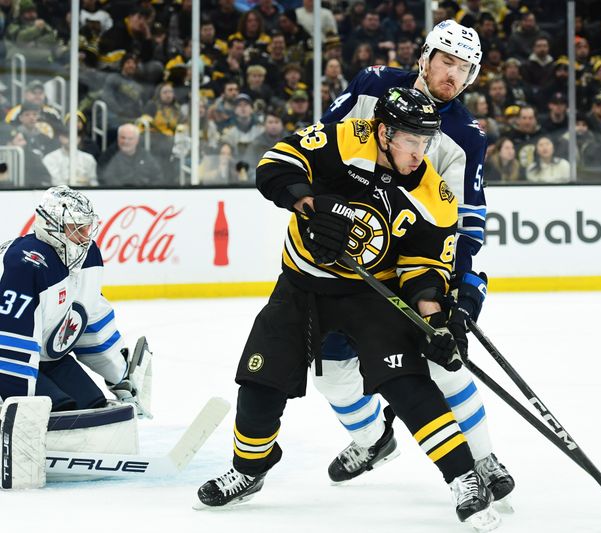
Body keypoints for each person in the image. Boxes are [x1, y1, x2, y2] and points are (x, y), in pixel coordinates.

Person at [195, 87, 500, 530]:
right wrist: (311, 204)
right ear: (383, 132)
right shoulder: (343, 138)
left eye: (427, 141)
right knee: (260, 381)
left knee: (408, 384)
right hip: (300, 287)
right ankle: (249, 470)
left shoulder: (434, 195)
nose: (420, 153)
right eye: (411, 141)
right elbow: (275, 164)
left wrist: (436, 324)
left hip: (371, 297)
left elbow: (424, 269)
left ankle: (464, 478)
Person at [314, 19, 514, 503]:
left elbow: (466, 219)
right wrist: (319, 213)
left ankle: (482, 457)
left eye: (465, 69)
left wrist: (462, 285)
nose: (454, 75)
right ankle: (372, 439)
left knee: (444, 361)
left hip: (412, 262)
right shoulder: (373, 86)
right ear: (424, 57)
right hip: (351, 255)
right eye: (447, 61)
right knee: (333, 372)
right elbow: (321, 145)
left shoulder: (465, 135)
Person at [0, 186, 146, 415]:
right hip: (8, 359)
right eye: (75, 229)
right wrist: (20, 414)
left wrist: (120, 377)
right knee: (55, 411)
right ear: (51, 226)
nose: (84, 237)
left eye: (86, 228)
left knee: (93, 405)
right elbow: (10, 343)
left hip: (48, 357)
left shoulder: (88, 256)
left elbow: (90, 320)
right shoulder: (26, 265)